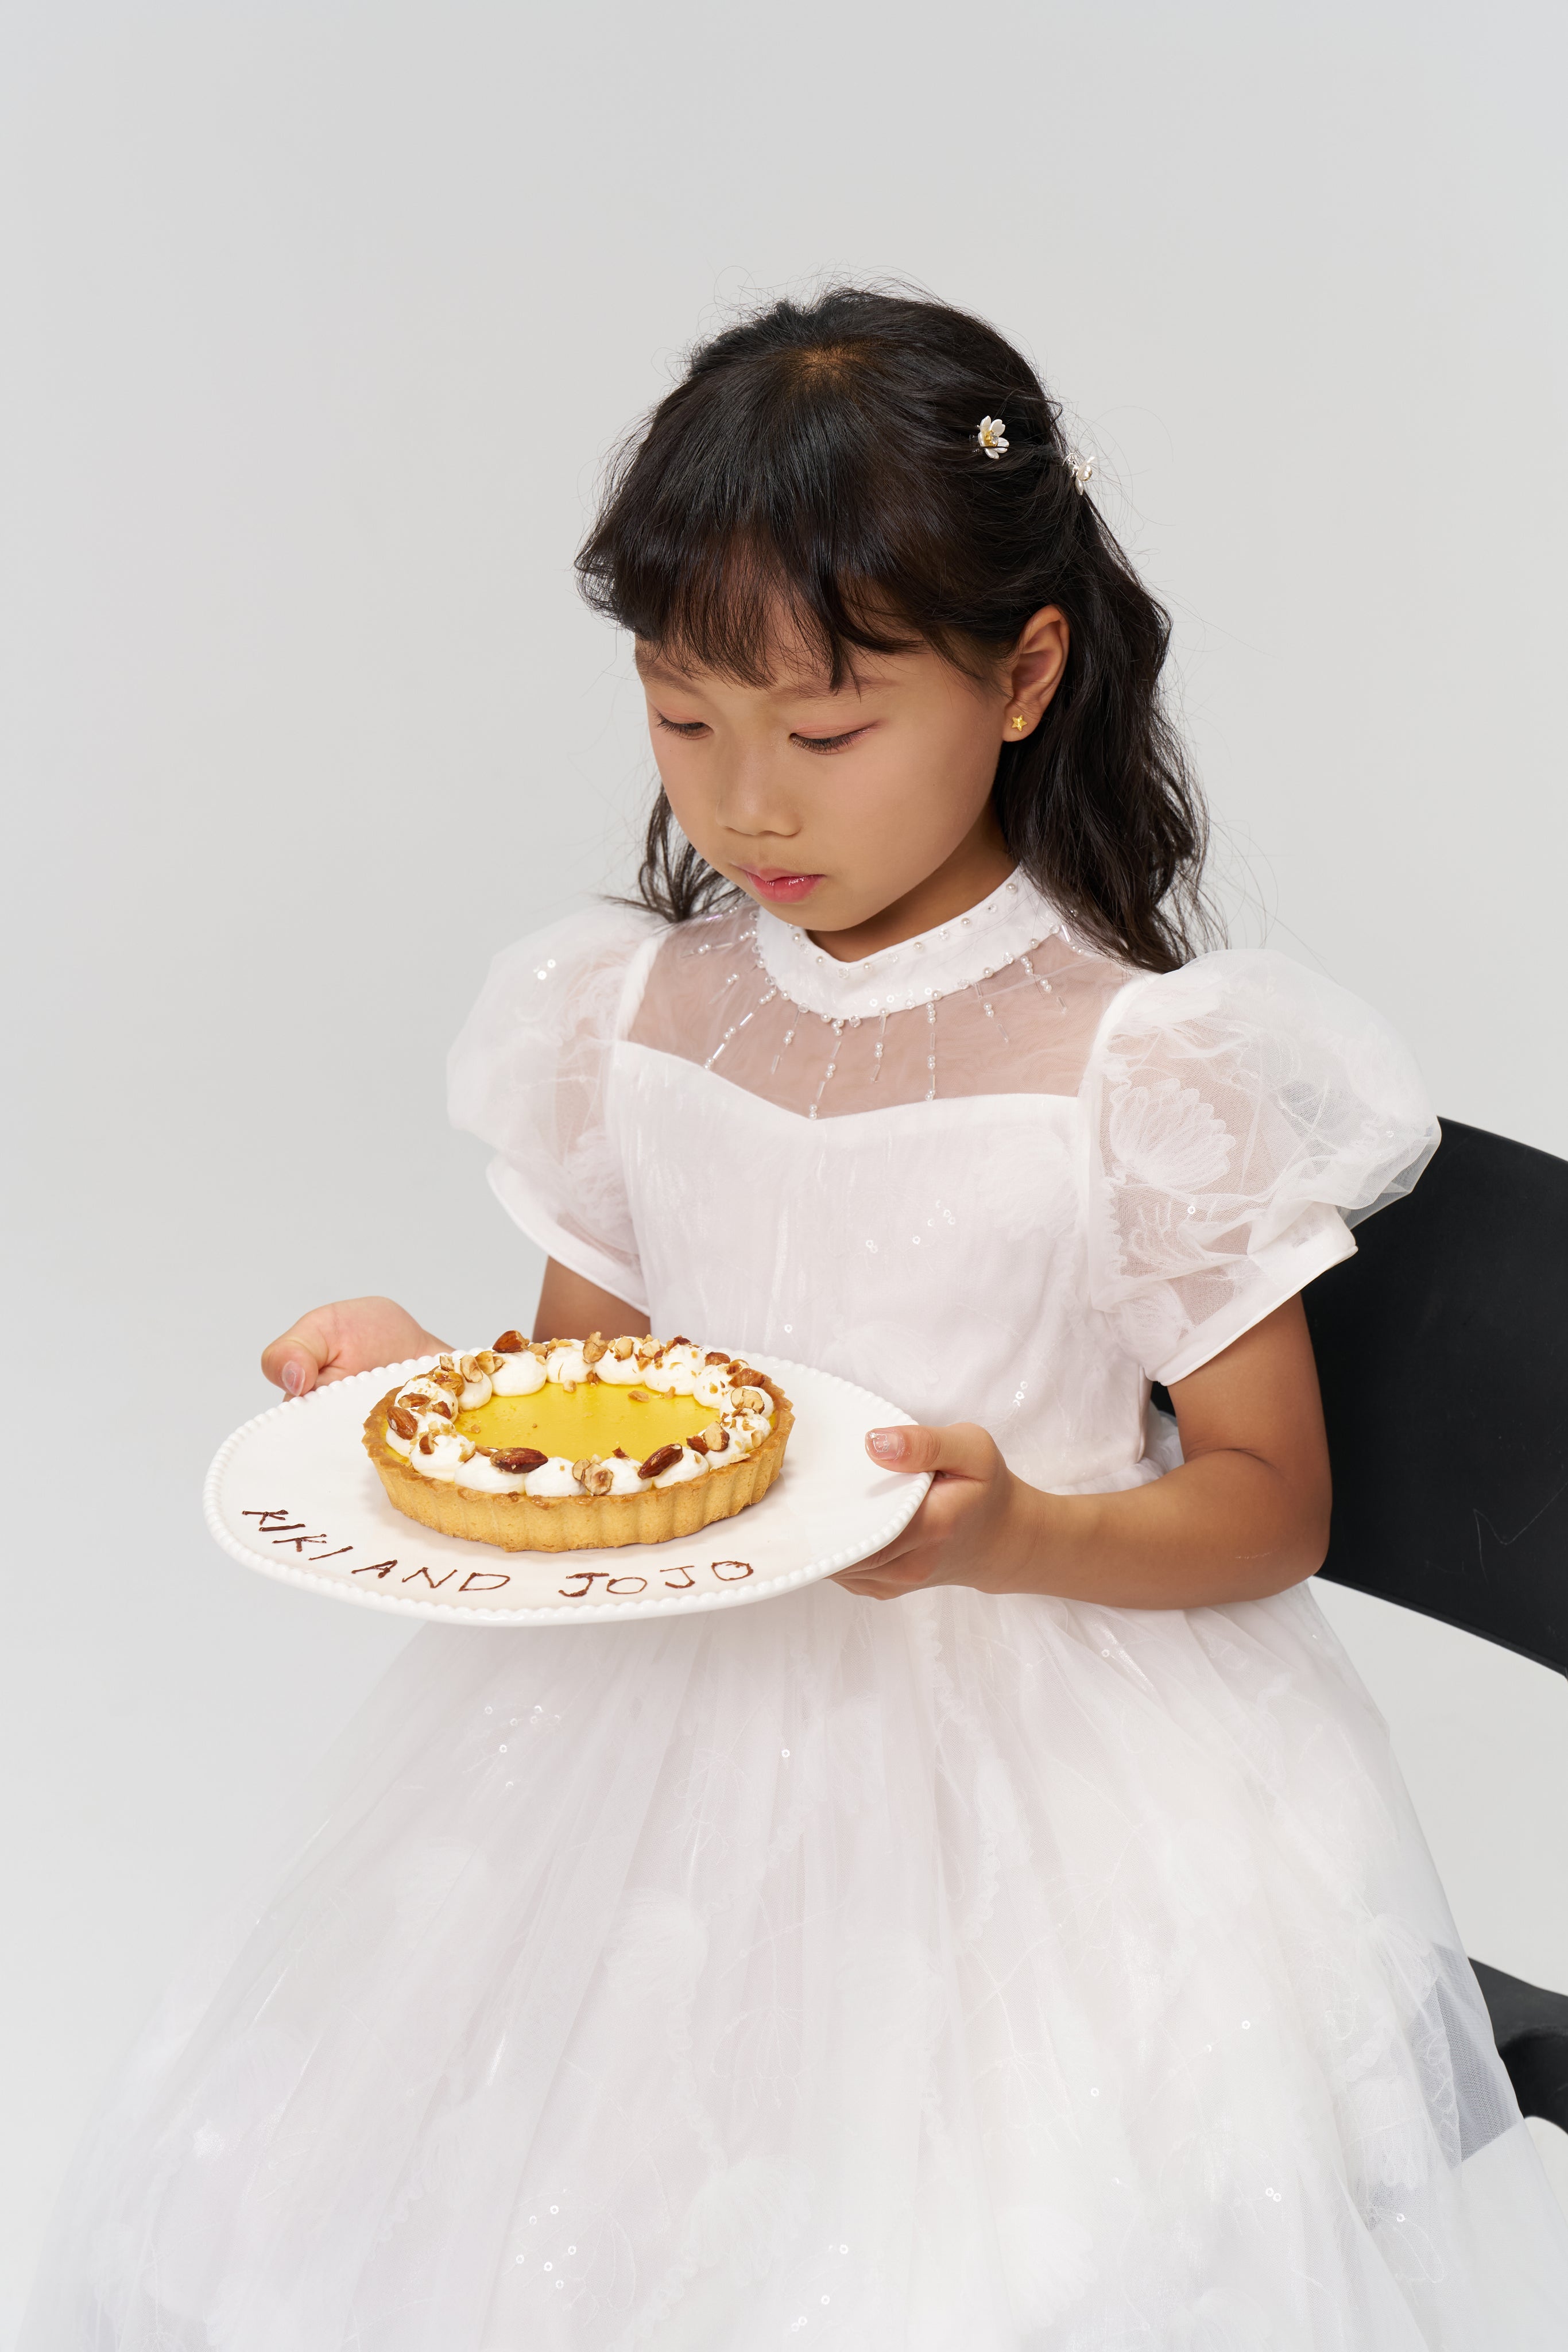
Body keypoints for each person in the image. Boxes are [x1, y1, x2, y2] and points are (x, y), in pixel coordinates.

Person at [24, 287, 1568, 2349]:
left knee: (956, 2244)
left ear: (1023, 674)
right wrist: (428, 1388)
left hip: (1046, 1760)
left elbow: (1266, 1504)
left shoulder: (1138, 1068)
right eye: (682, 717)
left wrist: (1014, 1528)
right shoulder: (637, 1014)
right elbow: (599, 1399)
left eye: (825, 732)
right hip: (656, 1724)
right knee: (513, 2184)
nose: (745, 806)